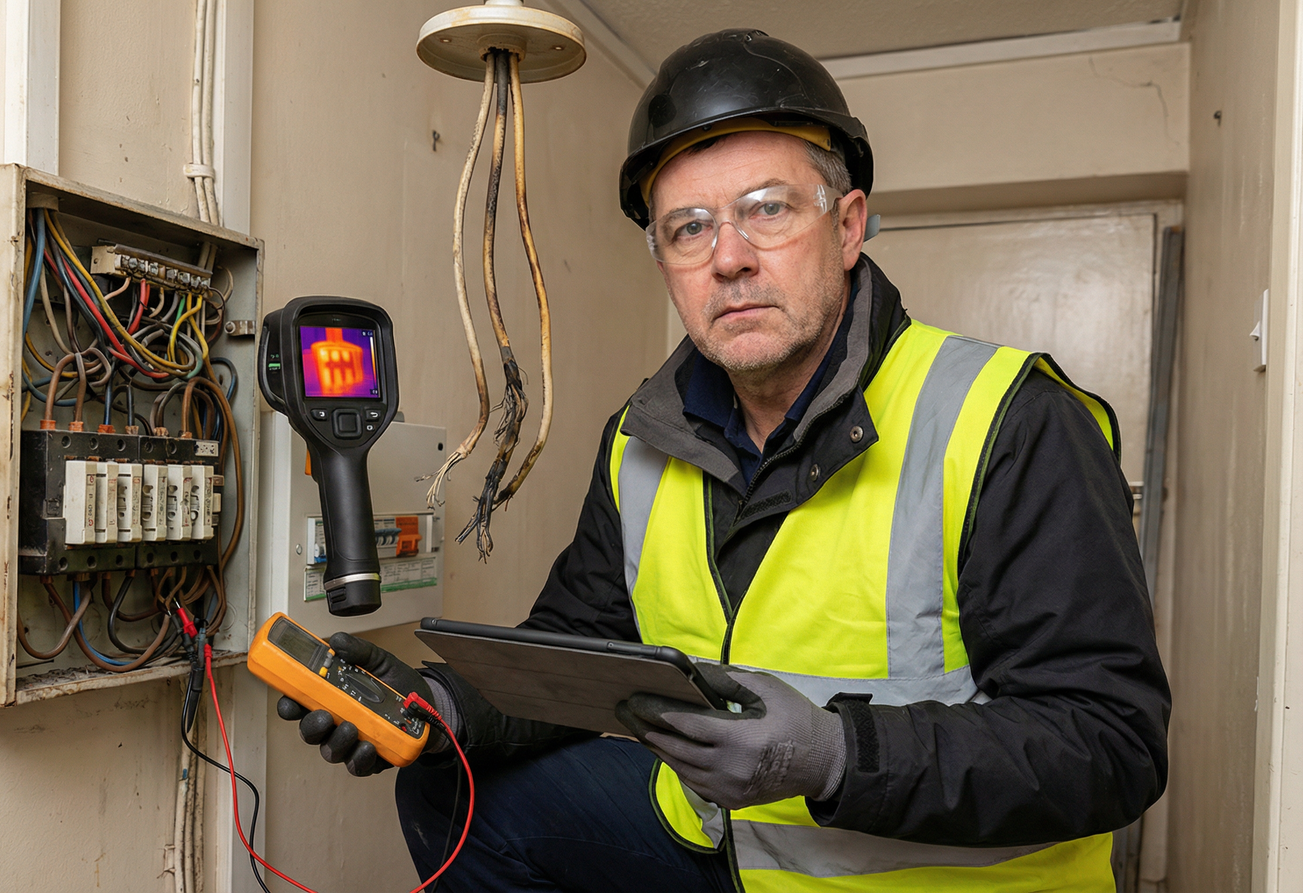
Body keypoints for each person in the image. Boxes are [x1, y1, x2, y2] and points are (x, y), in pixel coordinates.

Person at [277, 29, 1170, 892]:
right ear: (663, 259)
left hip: (923, 880)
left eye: (767, 209)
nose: (729, 258)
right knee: (454, 792)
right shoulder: (641, 439)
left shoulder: (1011, 421)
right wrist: (442, 704)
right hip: (729, 847)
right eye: (689, 228)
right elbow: (577, 653)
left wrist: (834, 755)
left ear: (847, 224)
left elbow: (1110, 740)